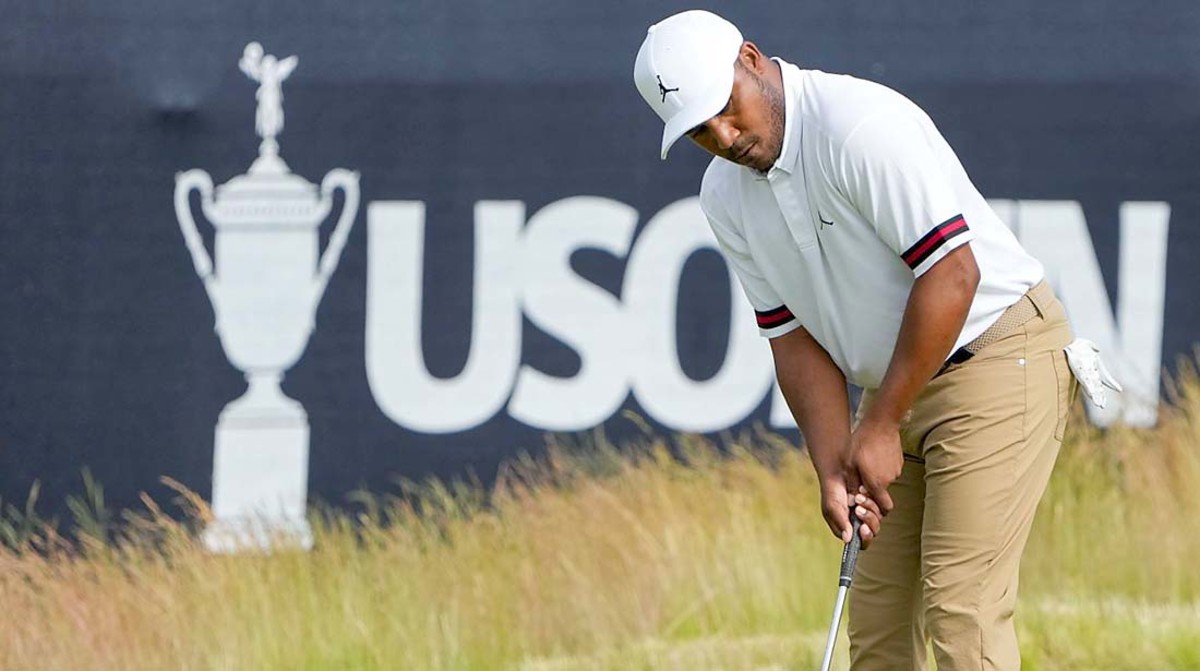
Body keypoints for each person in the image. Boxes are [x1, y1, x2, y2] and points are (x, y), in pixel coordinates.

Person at [633, 10, 1078, 670]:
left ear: (751, 60)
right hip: (898, 380)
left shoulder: (856, 126)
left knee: (961, 606)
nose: (724, 136)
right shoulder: (724, 194)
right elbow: (790, 335)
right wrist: (834, 459)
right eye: (699, 130)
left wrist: (881, 424)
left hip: (996, 355)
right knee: (877, 626)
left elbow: (954, 274)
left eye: (725, 108)